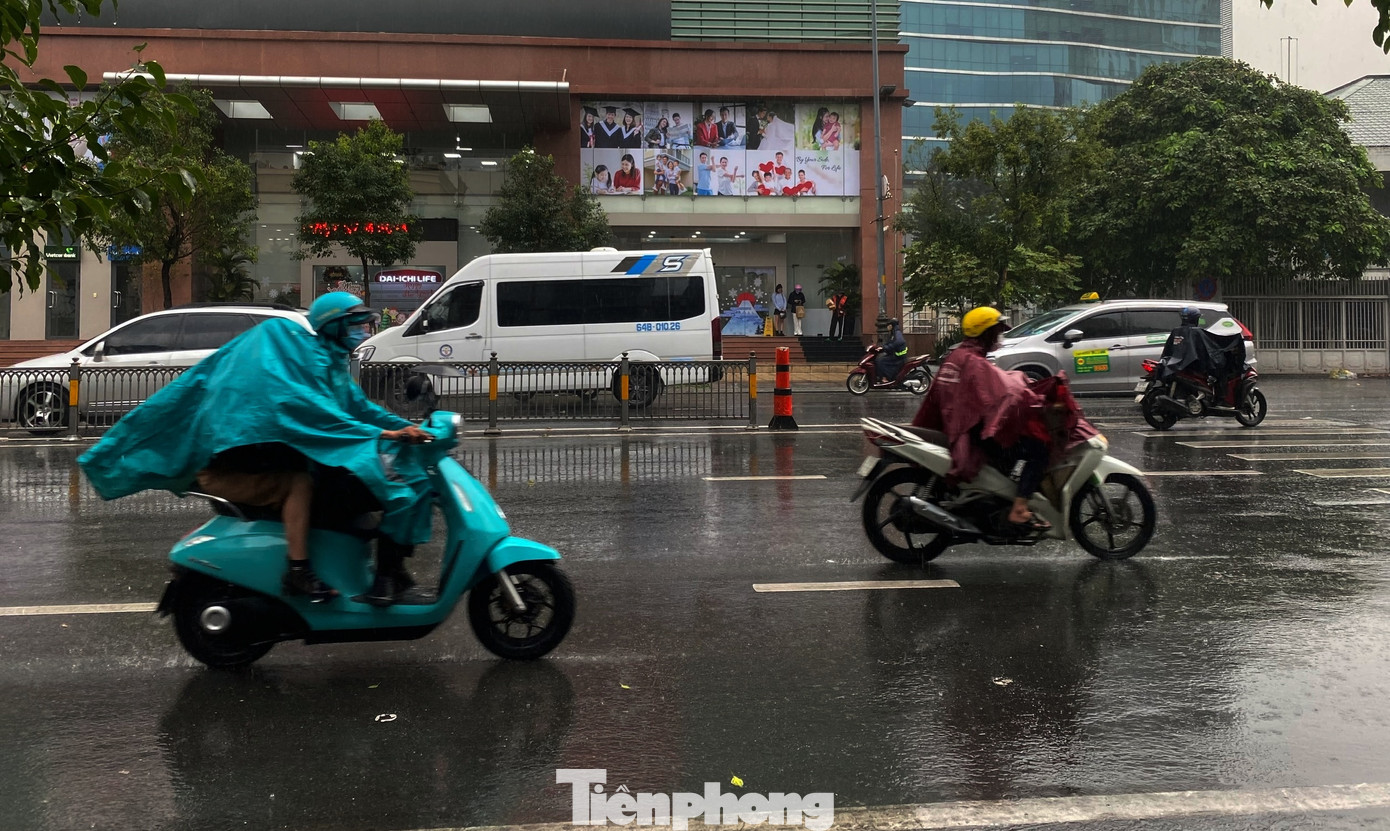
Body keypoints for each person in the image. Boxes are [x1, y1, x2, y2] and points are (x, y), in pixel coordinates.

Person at [78, 292, 435, 604]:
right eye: (356, 324)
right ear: (333, 326)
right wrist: (383, 436)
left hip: (261, 457)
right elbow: (313, 411)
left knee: (394, 486)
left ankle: (388, 575)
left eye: (366, 324)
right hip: (227, 466)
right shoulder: (303, 359)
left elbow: (359, 408)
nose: (364, 331)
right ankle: (300, 571)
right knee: (327, 484)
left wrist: (402, 427)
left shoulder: (332, 364)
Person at [911, 307, 1052, 531]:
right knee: (1039, 447)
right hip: (972, 435)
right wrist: (1032, 399)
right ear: (985, 333)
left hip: (955, 430)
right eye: (996, 332)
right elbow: (1004, 393)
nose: (998, 337)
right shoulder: (975, 363)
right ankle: (1019, 508)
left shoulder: (956, 357)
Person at [1159, 306, 1245, 405]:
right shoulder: (1197, 332)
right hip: (1195, 364)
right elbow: (1214, 343)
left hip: (1177, 363)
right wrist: (1234, 340)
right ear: (1196, 318)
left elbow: (1168, 349)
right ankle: (1220, 399)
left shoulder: (1176, 331)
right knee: (1221, 369)